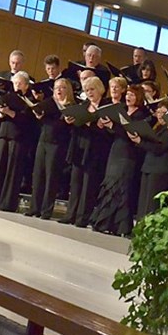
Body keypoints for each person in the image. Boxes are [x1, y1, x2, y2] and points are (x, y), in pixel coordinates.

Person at [91, 84, 152, 236]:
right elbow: (116, 132)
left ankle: (120, 226)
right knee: (110, 184)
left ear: (138, 97)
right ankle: (104, 221)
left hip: (128, 153)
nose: (128, 97)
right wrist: (106, 125)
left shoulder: (142, 114)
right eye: (128, 94)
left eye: (132, 94)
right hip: (116, 150)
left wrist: (113, 126)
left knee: (122, 186)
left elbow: (131, 133)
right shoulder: (121, 110)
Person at [59, 76, 111, 227]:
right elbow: (77, 124)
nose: (89, 93)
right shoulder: (83, 105)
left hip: (95, 150)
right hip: (79, 148)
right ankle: (70, 215)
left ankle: (82, 218)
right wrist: (71, 122)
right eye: (87, 90)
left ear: (100, 89)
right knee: (75, 184)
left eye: (92, 89)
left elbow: (107, 133)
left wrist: (92, 124)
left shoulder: (105, 107)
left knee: (88, 186)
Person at [25, 78, 74, 219]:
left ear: (68, 90)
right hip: (43, 141)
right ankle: (34, 208)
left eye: (63, 87)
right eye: (57, 87)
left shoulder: (70, 106)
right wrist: (39, 115)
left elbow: (66, 128)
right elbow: (44, 120)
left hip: (58, 144)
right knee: (38, 175)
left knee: (51, 177)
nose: (59, 90)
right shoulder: (49, 103)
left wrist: (62, 121)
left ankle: (46, 210)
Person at [0, 71, 36, 212]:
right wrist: (1, 112)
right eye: (15, 83)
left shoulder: (29, 100)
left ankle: (8, 204)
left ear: (26, 86)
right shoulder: (7, 96)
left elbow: (29, 121)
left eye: (20, 83)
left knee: (13, 170)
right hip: (4, 133)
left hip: (18, 136)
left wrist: (11, 113)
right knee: (0, 168)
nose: (17, 85)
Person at [130, 97, 168, 218]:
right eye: (159, 112)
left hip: (160, 169)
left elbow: (159, 148)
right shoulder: (157, 127)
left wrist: (140, 141)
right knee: (143, 201)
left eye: (164, 113)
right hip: (149, 166)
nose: (160, 115)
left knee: (151, 204)